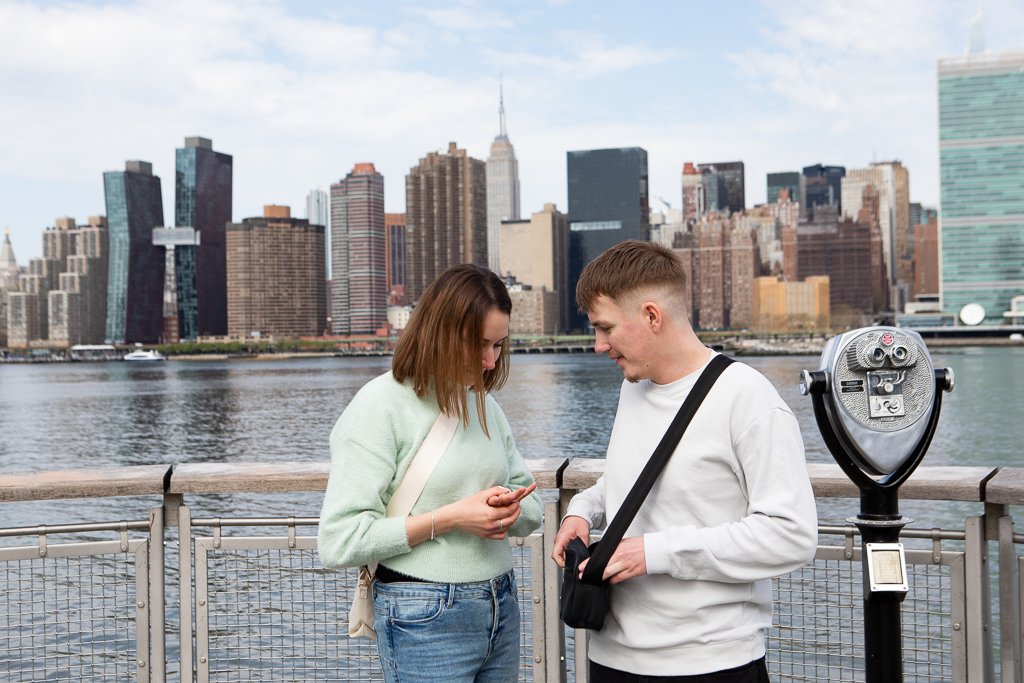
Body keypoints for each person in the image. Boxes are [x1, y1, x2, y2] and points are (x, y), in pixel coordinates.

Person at [552, 241, 818, 682]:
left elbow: (791, 535)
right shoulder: (632, 387)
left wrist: (655, 553)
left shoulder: (748, 399)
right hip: (609, 658)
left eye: (605, 328)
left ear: (652, 316)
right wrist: (583, 510)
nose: (599, 346)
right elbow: (632, 476)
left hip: (711, 664)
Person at [318, 263, 542, 683]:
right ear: (440, 331)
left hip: (502, 603)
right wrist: (453, 518)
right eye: (480, 344)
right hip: (422, 612)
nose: (490, 362)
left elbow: (535, 510)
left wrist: (508, 511)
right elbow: (338, 541)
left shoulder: (485, 405)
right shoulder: (379, 406)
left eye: (498, 345)